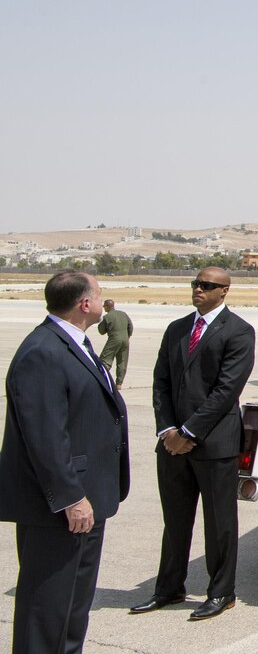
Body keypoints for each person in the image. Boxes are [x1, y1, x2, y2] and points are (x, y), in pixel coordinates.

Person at [0, 270, 130, 653]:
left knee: (74, 606)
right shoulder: (43, 350)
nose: (104, 302)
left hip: (90, 497)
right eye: (100, 295)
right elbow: (44, 436)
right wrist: (71, 497)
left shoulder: (76, 343)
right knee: (47, 607)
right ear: (84, 304)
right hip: (59, 505)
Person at [131, 266, 255, 621]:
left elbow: (226, 390)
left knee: (219, 523)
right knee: (175, 520)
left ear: (224, 291)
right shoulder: (177, 329)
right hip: (171, 445)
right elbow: (161, 383)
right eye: (195, 284)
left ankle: (221, 593)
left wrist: (188, 433)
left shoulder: (239, 331)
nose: (198, 289)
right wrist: (167, 430)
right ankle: (169, 588)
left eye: (207, 285)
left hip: (214, 444)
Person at [97, 298, 133, 389]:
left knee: (105, 359)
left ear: (108, 307)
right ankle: (119, 383)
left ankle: (101, 378)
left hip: (114, 339)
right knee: (122, 361)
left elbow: (101, 331)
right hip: (125, 340)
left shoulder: (107, 317)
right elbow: (130, 326)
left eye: (105, 306)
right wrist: (127, 336)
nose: (104, 308)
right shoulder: (123, 314)